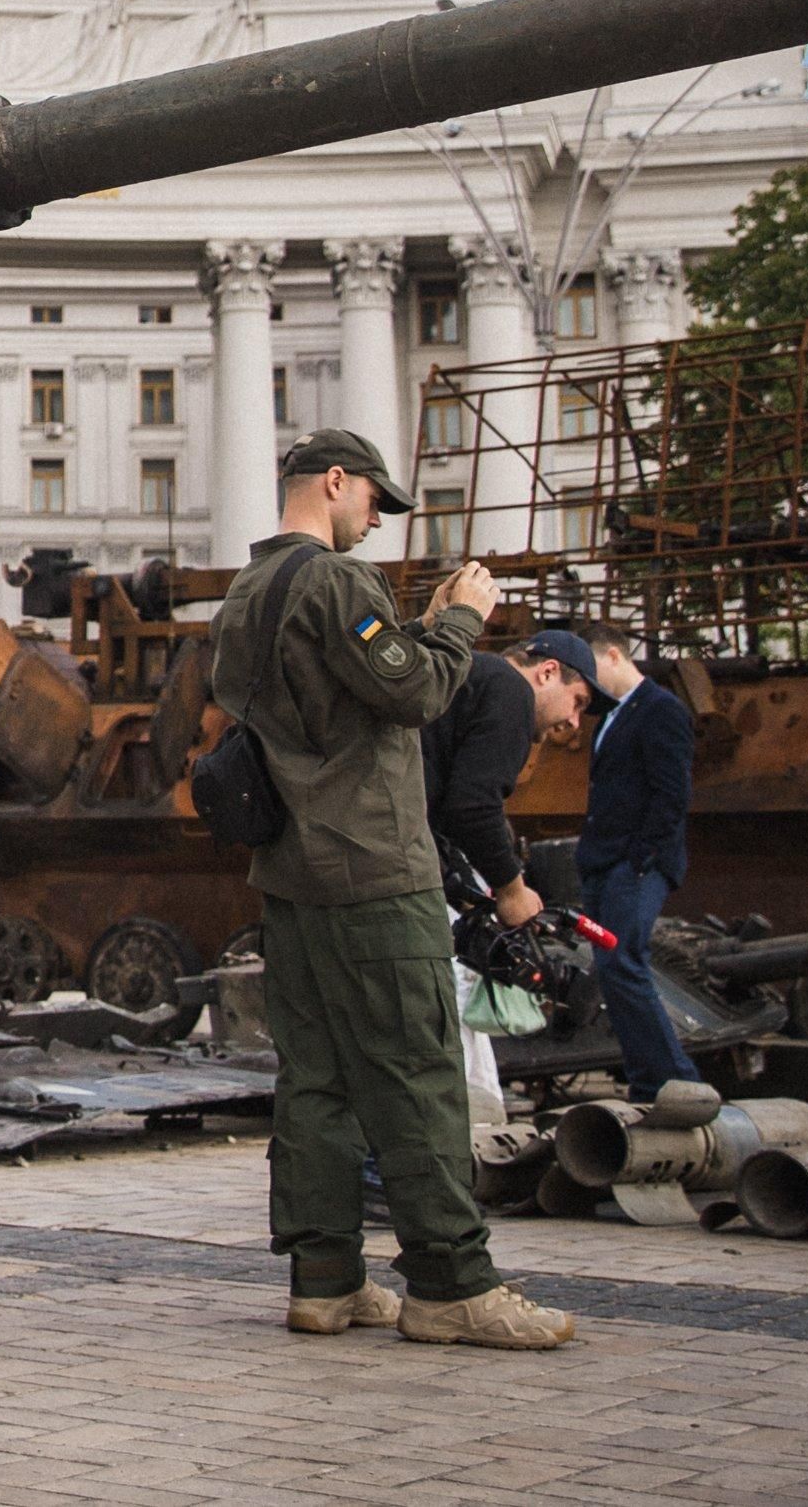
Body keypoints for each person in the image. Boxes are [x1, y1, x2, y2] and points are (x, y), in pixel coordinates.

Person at [212, 429, 576, 1352]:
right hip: (374, 865)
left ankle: (326, 1278)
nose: (377, 518)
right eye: (374, 498)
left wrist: (413, 637)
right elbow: (412, 696)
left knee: (319, 1078)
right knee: (417, 1070)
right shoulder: (334, 581)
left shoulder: (245, 592)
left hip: (291, 872)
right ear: (334, 481)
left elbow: (339, 698)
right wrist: (460, 619)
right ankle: (453, 1283)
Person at [421, 640, 592, 1127]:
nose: (574, 722)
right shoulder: (509, 689)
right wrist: (511, 890)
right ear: (548, 671)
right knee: (440, 1004)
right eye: (576, 701)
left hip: (394, 850)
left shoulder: (466, 675)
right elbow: (474, 806)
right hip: (407, 866)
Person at [534, 625, 701, 1099]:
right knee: (610, 968)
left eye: (591, 667)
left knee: (622, 960)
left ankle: (674, 1081)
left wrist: (642, 858)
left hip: (635, 864)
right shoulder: (612, 716)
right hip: (607, 864)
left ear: (613, 655)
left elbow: (672, 793)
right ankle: (649, 1079)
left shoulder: (661, 710)